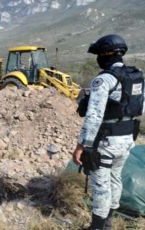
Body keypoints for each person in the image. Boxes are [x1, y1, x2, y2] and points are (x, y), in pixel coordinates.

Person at [73, 34, 144, 230]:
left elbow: (94, 116)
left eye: (98, 54)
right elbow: (140, 108)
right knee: (115, 179)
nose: (97, 58)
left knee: (101, 186)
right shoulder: (136, 75)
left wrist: (82, 145)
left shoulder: (104, 80)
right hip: (127, 139)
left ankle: (98, 227)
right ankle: (109, 223)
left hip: (106, 142)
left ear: (105, 54)